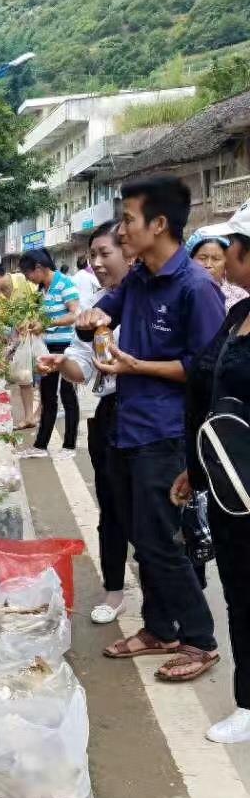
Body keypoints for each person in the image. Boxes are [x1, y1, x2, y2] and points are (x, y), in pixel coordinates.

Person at [77, 173, 225, 682]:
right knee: (143, 534)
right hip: (129, 428)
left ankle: (201, 639)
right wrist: (89, 317)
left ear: (159, 224)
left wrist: (138, 366)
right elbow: (100, 315)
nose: (121, 232)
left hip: (168, 433)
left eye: (128, 220)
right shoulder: (137, 278)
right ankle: (159, 628)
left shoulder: (196, 288)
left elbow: (204, 370)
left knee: (162, 541)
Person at [177, 201, 250, 738]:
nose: (224, 258)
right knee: (240, 592)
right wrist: (195, 469)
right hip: (229, 488)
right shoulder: (237, 314)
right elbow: (204, 390)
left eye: (231, 249)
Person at [41, 220, 131, 623]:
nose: (96, 262)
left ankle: (169, 591)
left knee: (152, 508)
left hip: (148, 416)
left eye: (104, 253)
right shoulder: (95, 305)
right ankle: (114, 590)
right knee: (110, 506)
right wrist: (63, 363)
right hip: (109, 415)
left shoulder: (150, 302)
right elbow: (83, 365)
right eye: (92, 255)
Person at [20, 248, 81, 457]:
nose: (29, 279)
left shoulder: (64, 284)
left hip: (66, 347)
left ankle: (70, 445)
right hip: (47, 348)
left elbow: (75, 315)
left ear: (39, 268)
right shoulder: (40, 290)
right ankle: (40, 445)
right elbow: (39, 316)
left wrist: (47, 322)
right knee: (47, 395)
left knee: (67, 395)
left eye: (29, 274)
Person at [0, 261, 40, 429]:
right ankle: (29, 417)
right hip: (18, 340)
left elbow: (42, 300)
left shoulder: (24, 281)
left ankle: (41, 412)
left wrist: (35, 322)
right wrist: (0, 347)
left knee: (46, 378)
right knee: (24, 378)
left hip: (38, 335)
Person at [185, 227, 249, 310]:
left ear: (226, 263)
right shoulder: (181, 290)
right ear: (191, 260)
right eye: (202, 258)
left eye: (216, 259)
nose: (208, 264)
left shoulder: (240, 297)